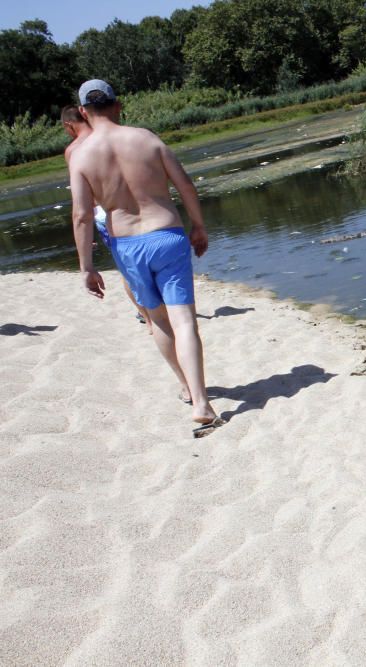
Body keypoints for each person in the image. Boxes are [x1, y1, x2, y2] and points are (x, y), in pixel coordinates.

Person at [68, 79, 223, 438]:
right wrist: (198, 226)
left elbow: (81, 215)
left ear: (82, 112)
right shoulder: (146, 138)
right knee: (184, 320)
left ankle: (185, 387)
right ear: (117, 105)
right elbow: (185, 185)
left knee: (158, 321)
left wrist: (86, 267)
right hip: (167, 234)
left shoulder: (81, 156)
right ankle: (201, 402)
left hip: (128, 246)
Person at [61, 105, 151, 333]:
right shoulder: (111, 137)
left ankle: (146, 315)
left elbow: (83, 201)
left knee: (127, 270)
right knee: (145, 262)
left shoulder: (74, 150)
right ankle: (154, 310)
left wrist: (85, 233)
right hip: (133, 209)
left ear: (68, 126)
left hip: (103, 216)